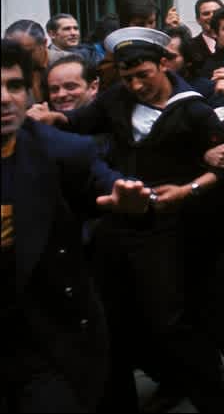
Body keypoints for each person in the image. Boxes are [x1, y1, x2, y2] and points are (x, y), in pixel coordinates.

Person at [26, 27, 224, 412]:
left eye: (144, 74)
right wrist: (51, 119)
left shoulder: (193, 108)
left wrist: (189, 187)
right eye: (128, 78)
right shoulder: (116, 100)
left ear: (164, 64)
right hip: (125, 220)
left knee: (173, 323)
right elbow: (79, 124)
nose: (137, 85)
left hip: (176, 228)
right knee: (111, 318)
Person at [1, 39, 153, 412]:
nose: (4, 98)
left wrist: (132, 204)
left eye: (14, 86)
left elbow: (108, 187)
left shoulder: (62, 152)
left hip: (47, 338)